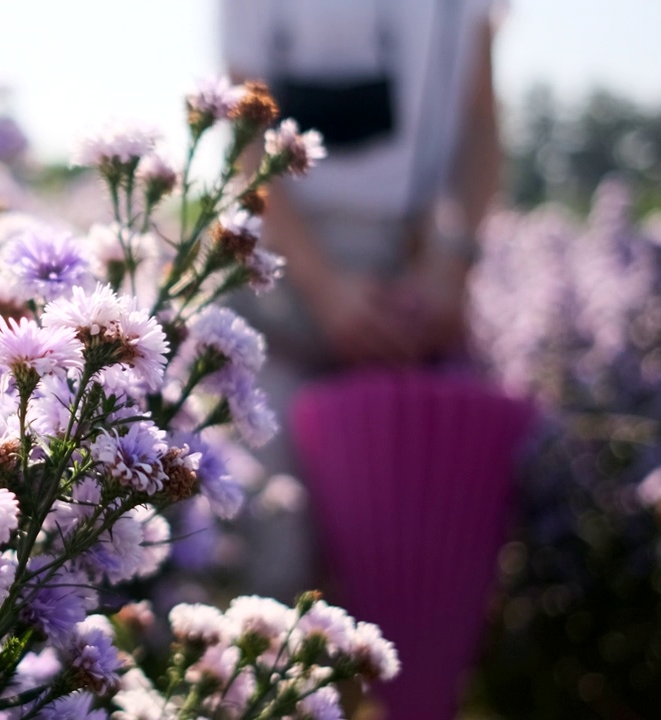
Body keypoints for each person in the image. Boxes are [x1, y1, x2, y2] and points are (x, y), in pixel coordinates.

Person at [223, 2, 529, 718]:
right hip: (288, 283)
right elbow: (246, 138)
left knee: (423, 573)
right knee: (276, 552)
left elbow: (479, 125)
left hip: (417, 279)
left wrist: (449, 264)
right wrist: (329, 292)